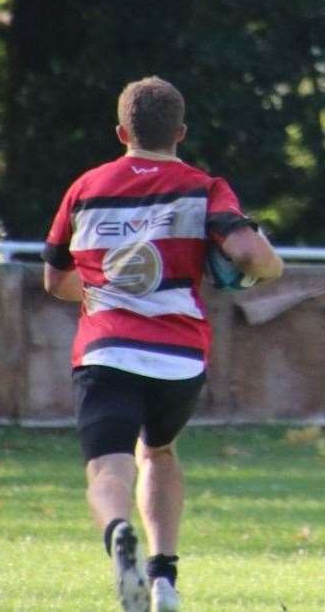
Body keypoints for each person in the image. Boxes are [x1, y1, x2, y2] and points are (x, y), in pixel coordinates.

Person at [42, 76, 283, 612]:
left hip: (105, 351)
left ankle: (118, 534)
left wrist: (110, 286)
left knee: (108, 467)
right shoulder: (203, 187)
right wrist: (273, 264)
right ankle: (164, 578)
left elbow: (55, 280)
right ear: (180, 132)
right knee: (158, 451)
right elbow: (247, 253)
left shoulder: (86, 188)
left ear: (121, 131)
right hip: (178, 358)